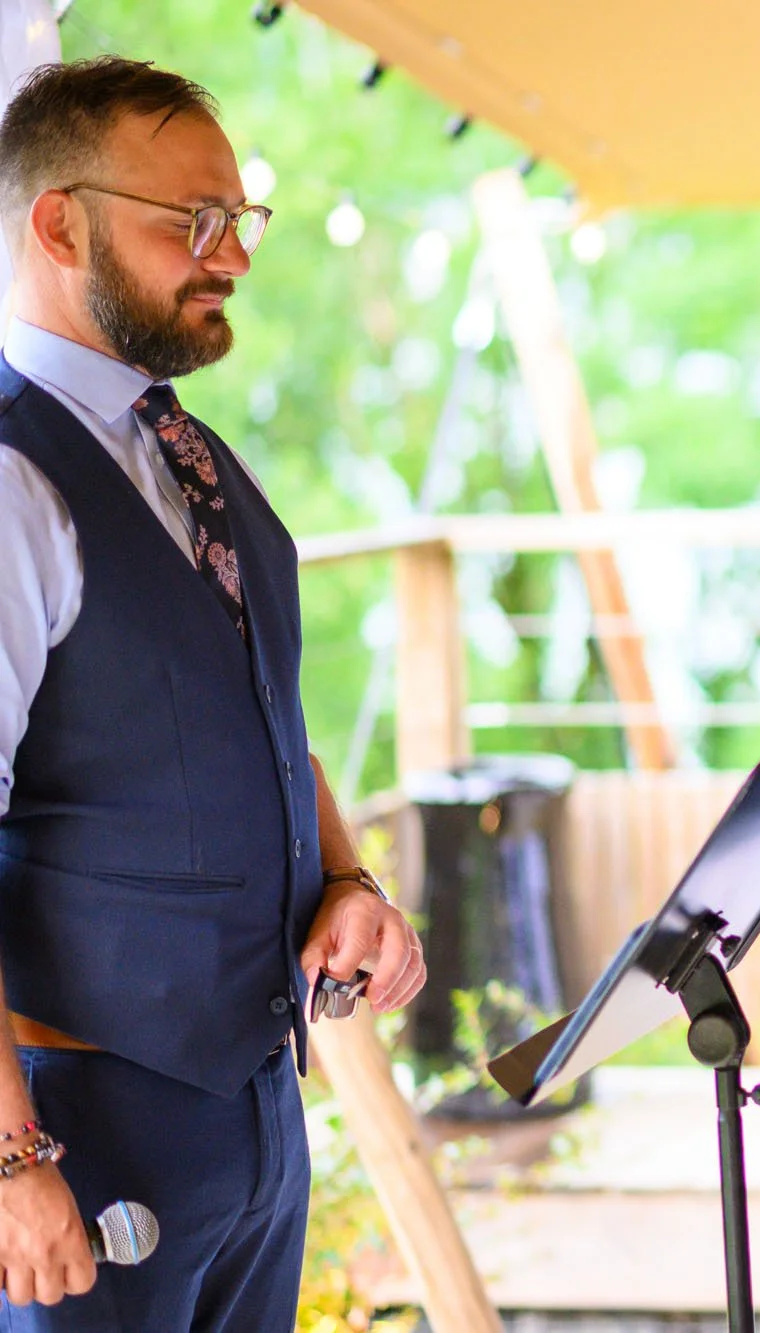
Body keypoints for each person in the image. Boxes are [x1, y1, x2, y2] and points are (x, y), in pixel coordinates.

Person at [0, 57, 425, 1328]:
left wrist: (346, 880)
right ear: (59, 224)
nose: (230, 255)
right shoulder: (13, 481)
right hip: (78, 1138)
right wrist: (10, 1161)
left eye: (237, 219)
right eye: (193, 220)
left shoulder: (183, 449)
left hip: (254, 1119)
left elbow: (257, 720)